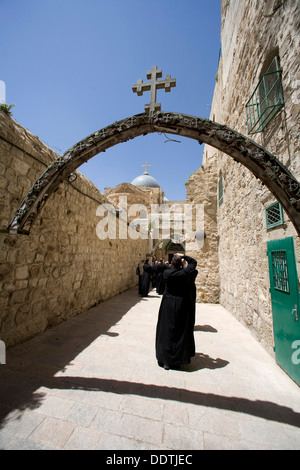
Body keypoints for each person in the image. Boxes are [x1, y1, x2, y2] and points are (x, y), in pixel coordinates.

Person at [155, 253, 197, 370]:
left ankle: (165, 360)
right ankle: (176, 360)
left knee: (166, 331)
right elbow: (193, 263)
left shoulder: (168, 273)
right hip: (181, 305)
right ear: (181, 263)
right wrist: (184, 256)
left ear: (172, 263)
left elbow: (160, 267)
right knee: (179, 331)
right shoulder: (184, 273)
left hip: (168, 304)